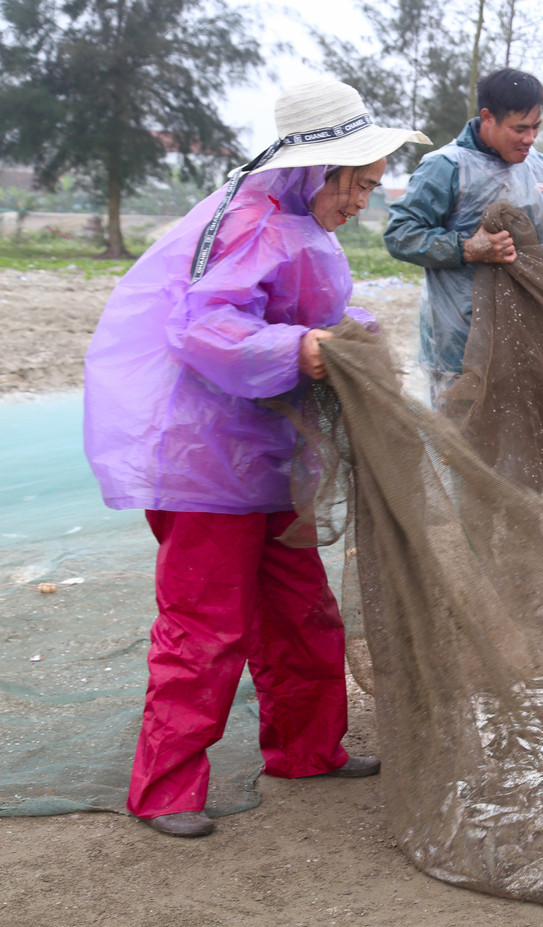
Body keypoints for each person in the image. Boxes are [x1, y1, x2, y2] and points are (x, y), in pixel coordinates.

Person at [83, 80, 428, 838]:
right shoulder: (248, 220)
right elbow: (205, 329)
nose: (364, 200)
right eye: (359, 184)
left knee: (302, 613)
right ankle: (166, 787)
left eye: (372, 185)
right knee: (204, 627)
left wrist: (348, 331)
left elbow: (311, 313)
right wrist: (299, 348)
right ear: (320, 169)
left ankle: (306, 748)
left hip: (267, 458)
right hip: (206, 462)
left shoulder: (302, 224)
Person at [383, 67, 543, 404]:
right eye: (519, 129)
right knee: (458, 438)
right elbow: (400, 234)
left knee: (514, 434)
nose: (530, 138)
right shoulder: (446, 166)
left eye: (536, 127)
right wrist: (466, 248)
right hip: (460, 337)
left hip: (525, 328)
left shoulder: (539, 166)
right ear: (487, 118)